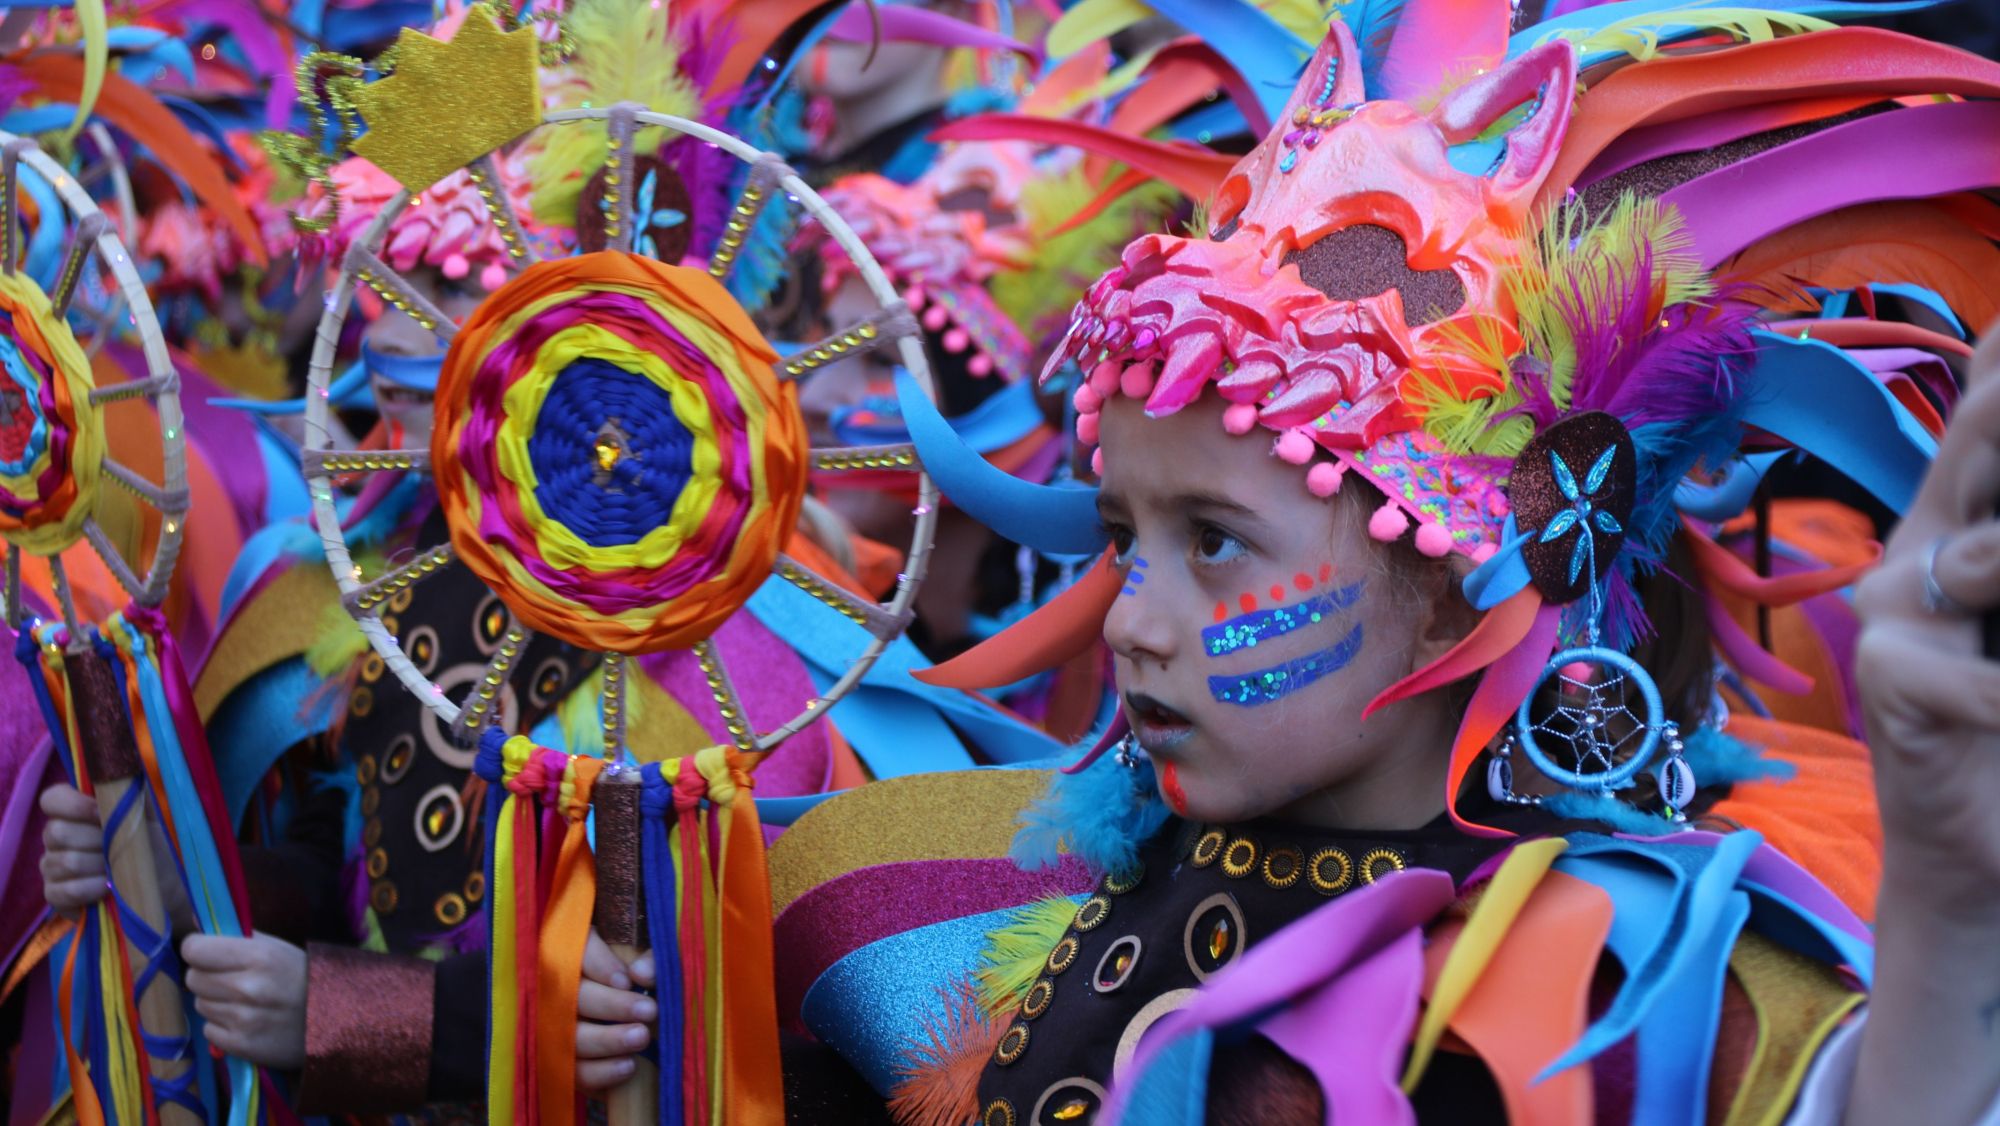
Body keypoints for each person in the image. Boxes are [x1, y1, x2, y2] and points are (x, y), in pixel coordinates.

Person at [561, 4, 2000, 1121]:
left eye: (1217, 543)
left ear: (1464, 577)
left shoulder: (1610, 989)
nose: (1136, 619)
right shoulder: (951, 890)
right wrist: (648, 1016)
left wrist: (1942, 899)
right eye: (1127, 536)